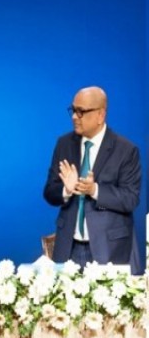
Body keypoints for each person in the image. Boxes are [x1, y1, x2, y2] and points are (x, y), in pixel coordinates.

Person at [43, 86, 142, 273]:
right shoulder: (64, 144)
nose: (74, 117)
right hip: (68, 248)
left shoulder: (126, 150)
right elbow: (49, 192)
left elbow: (130, 199)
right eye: (73, 110)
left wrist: (94, 190)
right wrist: (66, 190)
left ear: (100, 115)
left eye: (81, 111)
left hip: (109, 250)